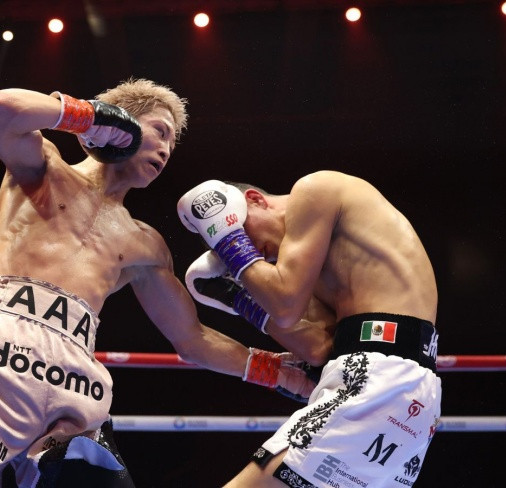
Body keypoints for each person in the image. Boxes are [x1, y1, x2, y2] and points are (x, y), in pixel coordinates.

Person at [0, 79, 315, 488]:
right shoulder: (44, 168)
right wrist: (87, 117)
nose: (166, 149)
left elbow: (192, 338)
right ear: (122, 122)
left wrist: (277, 372)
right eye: (160, 131)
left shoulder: (145, 243)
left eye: (172, 143)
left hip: (73, 383)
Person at [177, 172, 441, 488]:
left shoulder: (315, 189)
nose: (254, 254)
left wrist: (228, 242)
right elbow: (317, 349)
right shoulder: (316, 269)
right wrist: (239, 297)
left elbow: (285, 308)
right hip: (404, 396)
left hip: (380, 381)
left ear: (255, 200)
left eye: (241, 232)